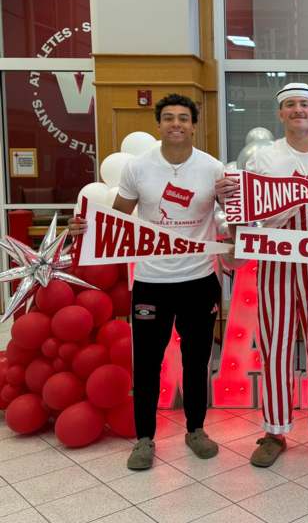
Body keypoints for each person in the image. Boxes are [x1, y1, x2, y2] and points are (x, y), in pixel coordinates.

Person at [69, 93, 224, 471]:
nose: (176, 124)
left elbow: (230, 216)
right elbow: (119, 218)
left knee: (197, 359)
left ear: (193, 125)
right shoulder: (139, 167)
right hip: (152, 281)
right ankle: (145, 438)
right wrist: (84, 229)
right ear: (159, 125)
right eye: (168, 117)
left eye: (183, 118)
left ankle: (196, 430)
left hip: (199, 279)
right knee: (148, 364)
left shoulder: (212, 168)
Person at [216, 82, 308, 469]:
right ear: (280, 114)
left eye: (305, 105)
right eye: (290, 105)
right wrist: (234, 229)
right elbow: (242, 210)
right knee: (276, 345)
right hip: (276, 263)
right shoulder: (263, 159)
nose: (298, 110)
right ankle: (274, 430)